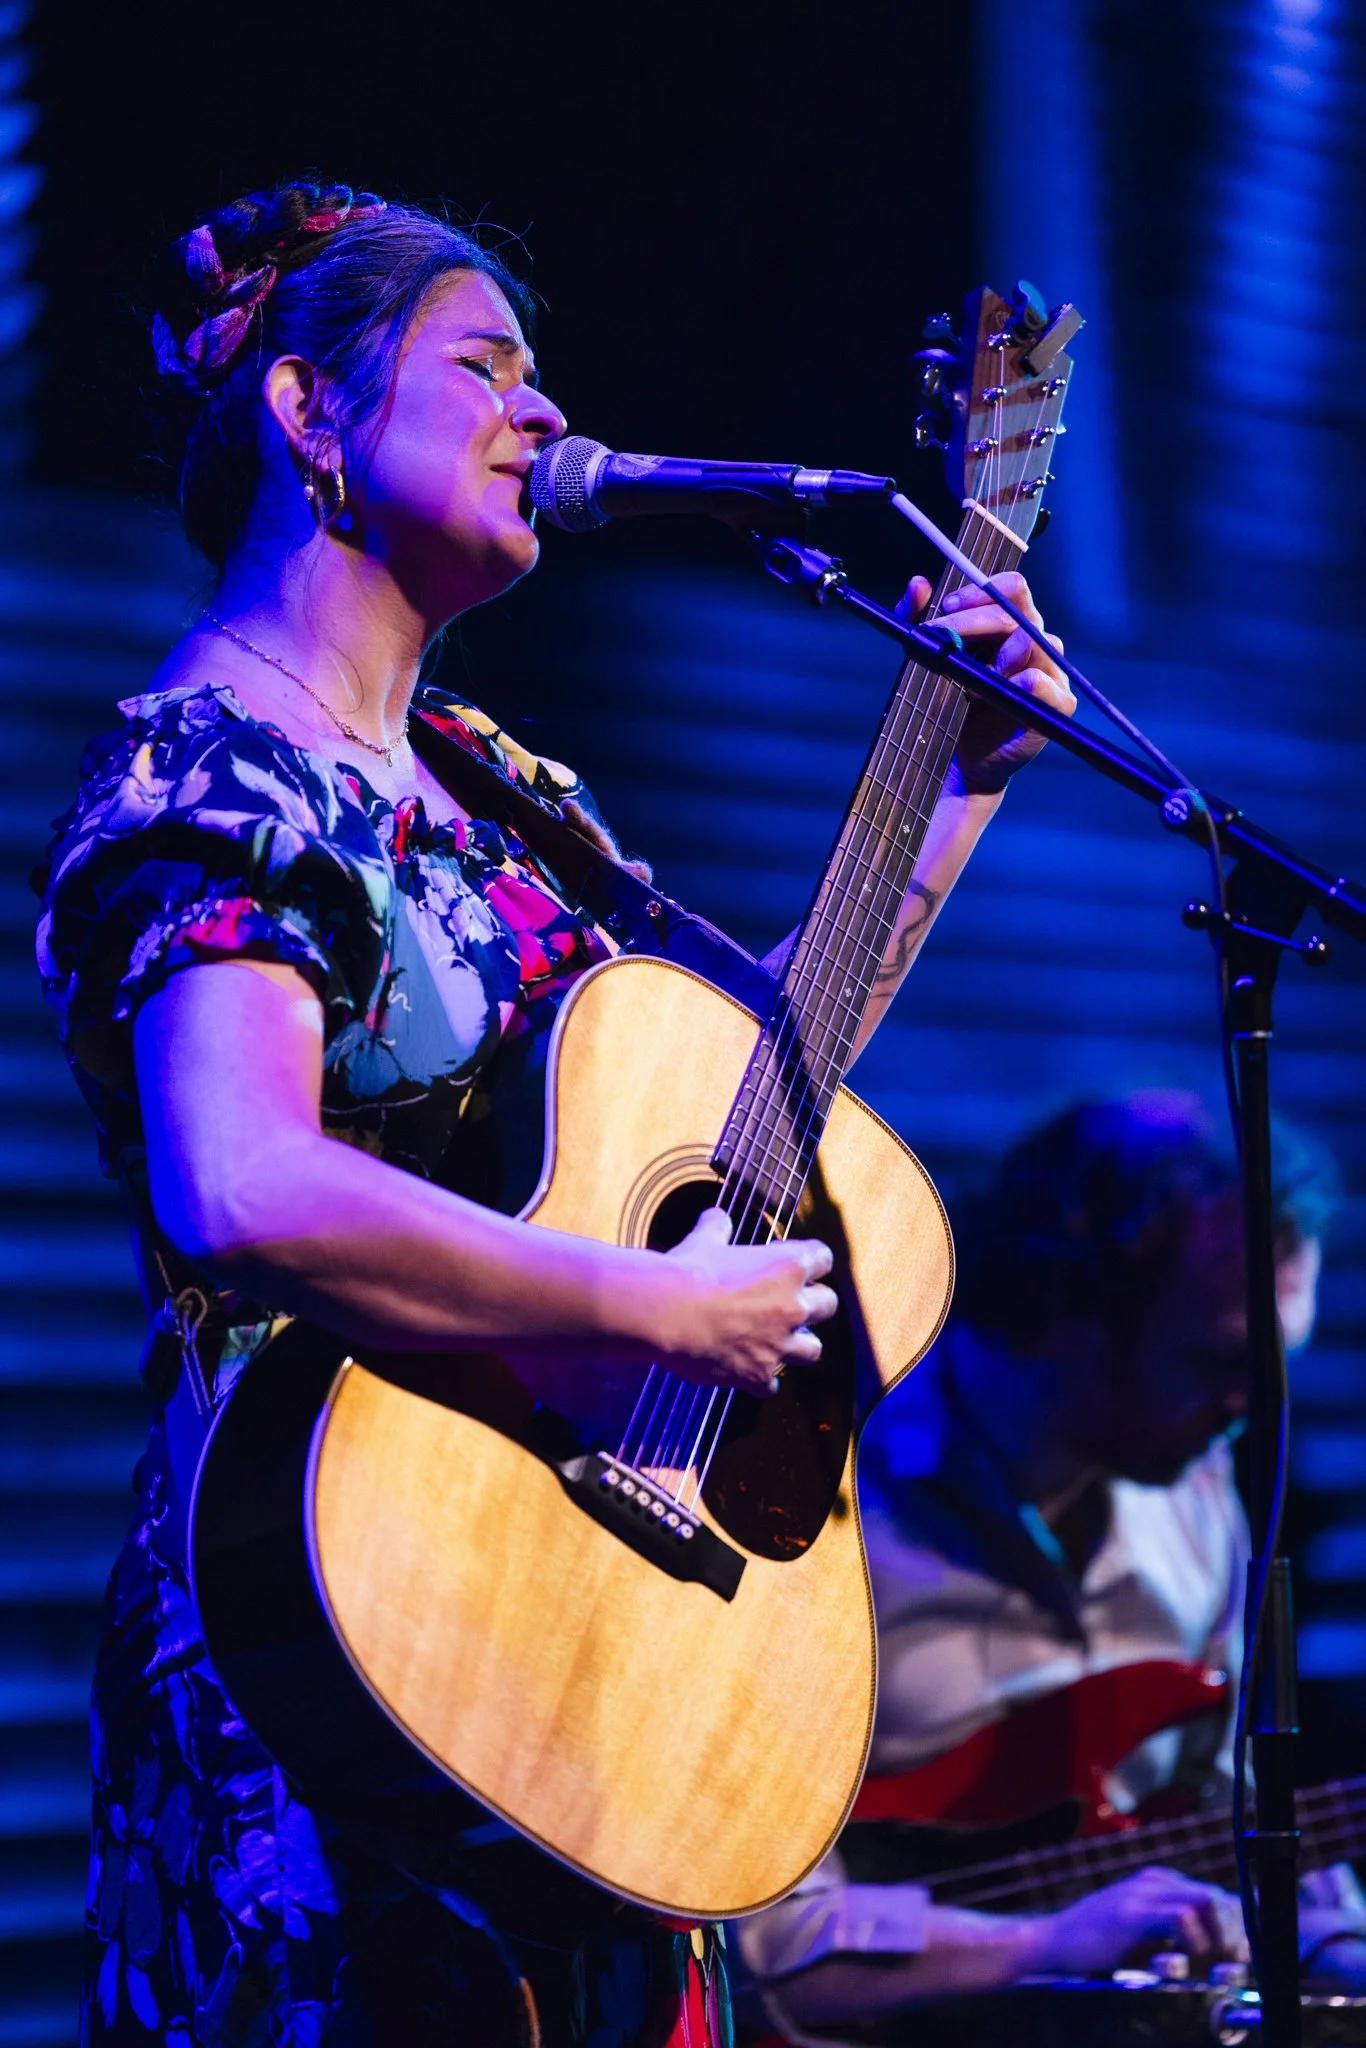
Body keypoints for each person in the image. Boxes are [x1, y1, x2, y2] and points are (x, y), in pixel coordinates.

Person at [32, 182, 1073, 2048]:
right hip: (333, 1655)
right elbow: (240, 1183)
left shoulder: (492, 782)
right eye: (483, 366)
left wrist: (955, 786)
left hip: (574, 1642)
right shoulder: (200, 768)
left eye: (542, 373)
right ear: (309, 413)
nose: (538, 409)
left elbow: (749, 1072)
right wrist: (649, 1310)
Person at [734, 1093, 1366, 2043]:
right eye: (1217, 1363)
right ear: (1068, 1311)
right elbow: (765, 1954)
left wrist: (1329, 1939)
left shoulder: (1198, 1494)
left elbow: (1232, 1817)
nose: (1249, 1408)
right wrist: (1041, 1947)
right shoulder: (808, 1507)